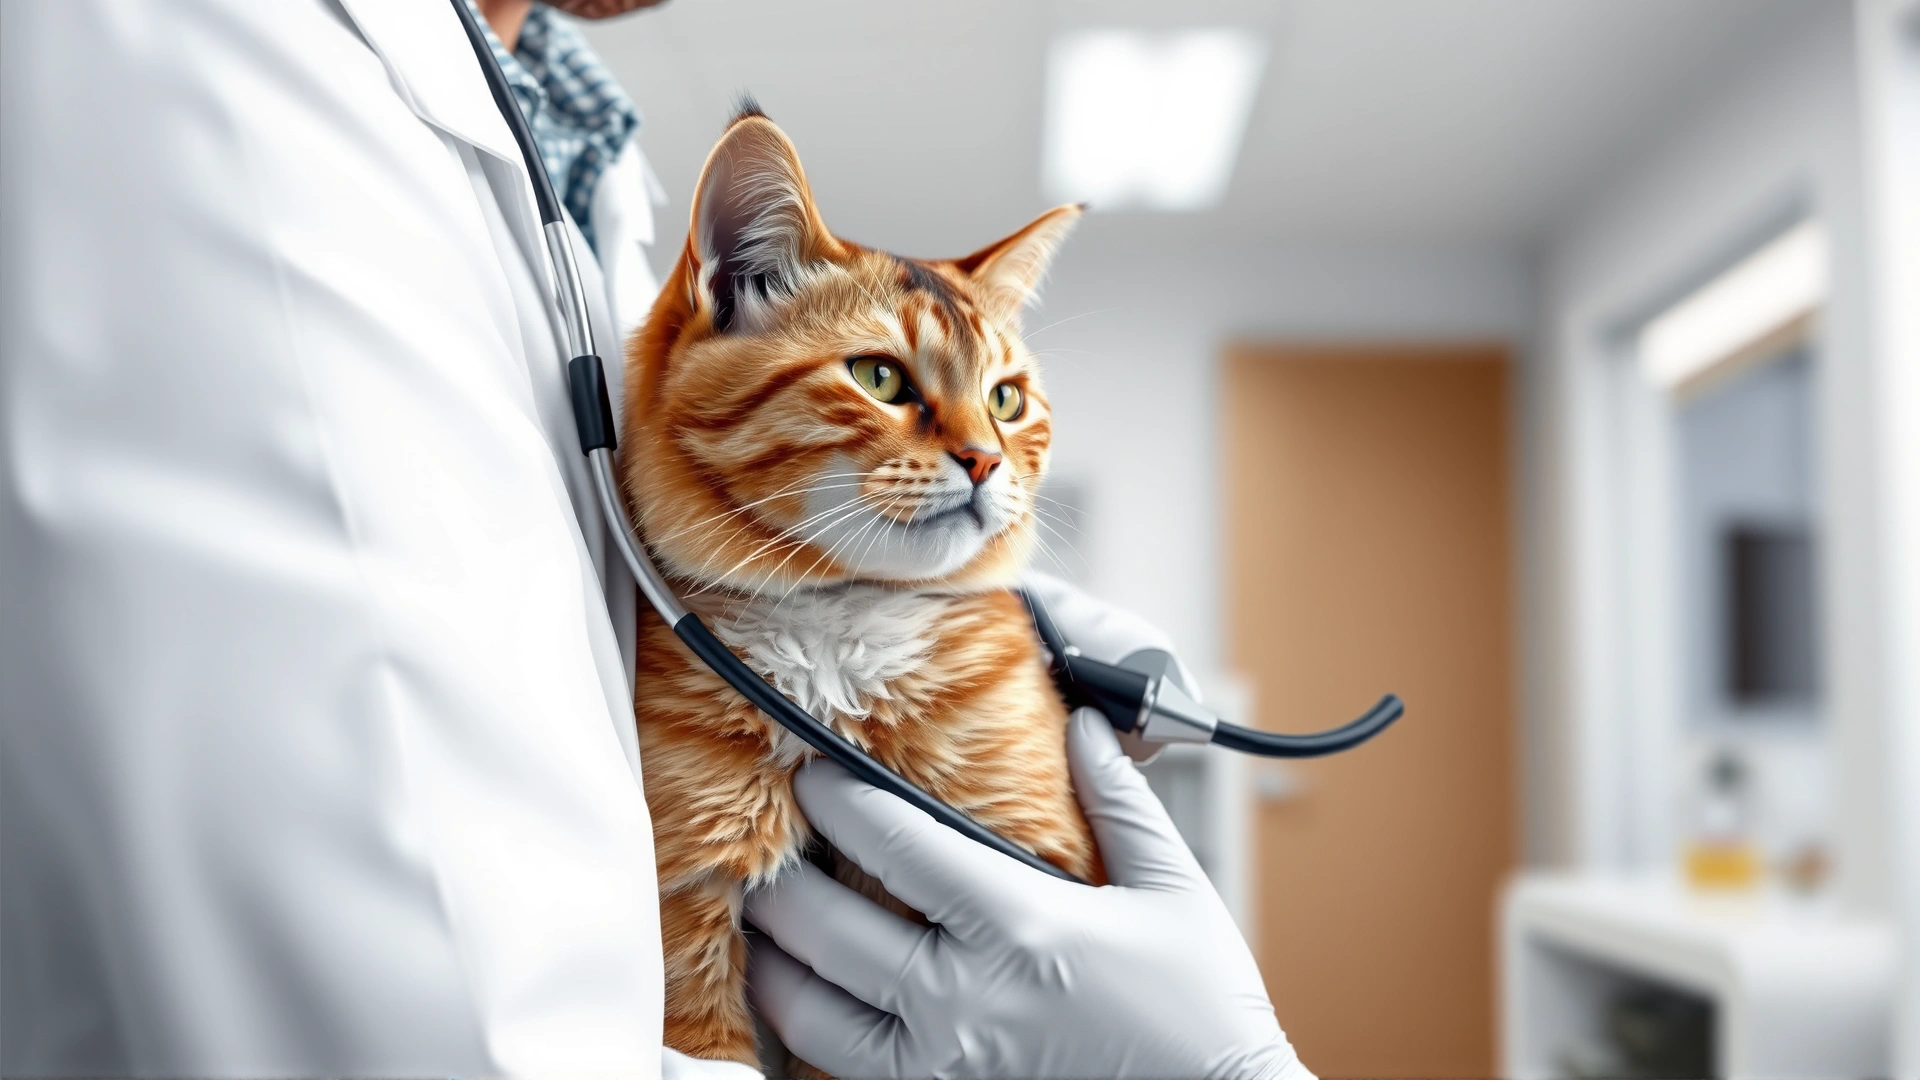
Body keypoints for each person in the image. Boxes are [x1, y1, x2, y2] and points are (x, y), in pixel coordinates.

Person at [0, 1, 1311, 1076]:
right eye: (894, 382)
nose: (979, 448)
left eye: (1007, 404)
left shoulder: (586, 154)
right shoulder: (208, 61)